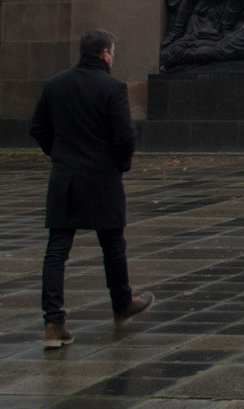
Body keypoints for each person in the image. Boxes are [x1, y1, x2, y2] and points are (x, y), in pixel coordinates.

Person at [29, 30, 154, 348]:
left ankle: (53, 322)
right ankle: (122, 303)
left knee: (57, 249)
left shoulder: (55, 83)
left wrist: (58, 155)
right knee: (112, 243)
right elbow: (125, 135)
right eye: (113, 52)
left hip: (66, 177)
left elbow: (37, 127)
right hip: (102, 177)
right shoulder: (112, 87)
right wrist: (122, 164)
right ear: (106, 54)